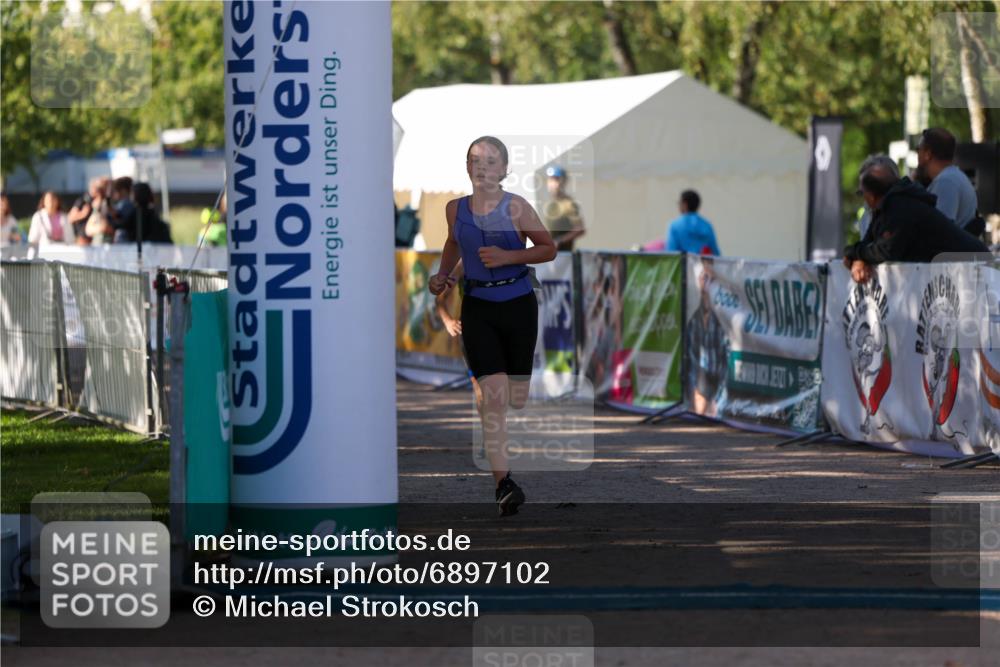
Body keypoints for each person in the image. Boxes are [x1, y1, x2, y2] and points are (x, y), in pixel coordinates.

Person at [428, 136, 557, 516]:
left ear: (503, 169)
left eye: (489, 161)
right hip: (478, 306)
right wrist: (443, 277)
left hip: (518, 304)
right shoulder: (454, 209)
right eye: (474, 160)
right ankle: (504, 484)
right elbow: (453, 243)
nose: (481, 167)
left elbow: (548, 248)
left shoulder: (517, 207)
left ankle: (502, 466)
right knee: (495, 399)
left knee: (515, 397)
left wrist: (508, 256)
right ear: (467, 167)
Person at [843, 157, 990, 283]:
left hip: (972, 269)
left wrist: (854, 253)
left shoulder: (901, 207)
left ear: (870, 195)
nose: (862, 198)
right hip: (957, 268)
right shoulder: (885, 207)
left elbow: (887, 250)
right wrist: (859, 258)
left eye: (860, 193)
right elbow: (868, 244)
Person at [685, 257, 728, 416]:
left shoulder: (723, 316)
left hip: (721, 380)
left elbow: (728, 359)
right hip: (702, 378)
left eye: (711, 277)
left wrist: (721, 398)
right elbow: (692, 358)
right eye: (704, 277)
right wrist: (694, 391)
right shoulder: (695, 318)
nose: (707, 282)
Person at [914, 128, 979, 230]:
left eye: (918, 149)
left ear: (928, 154)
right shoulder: (954, 177)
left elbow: (940, 232)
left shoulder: (946, 182)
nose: (917, 154)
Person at [541, 165, 585, 251]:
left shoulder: (568, 203)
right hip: (550, 253)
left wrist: (559, 241)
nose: (553, 183)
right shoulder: (549, 203)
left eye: (556, 179)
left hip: (564, 254)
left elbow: (580, 229)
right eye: (550, 180)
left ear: (564, 182)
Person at [855, 155, 899, 239]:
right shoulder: (866, 215)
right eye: (862, 192)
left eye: (878, 189)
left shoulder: (906, 213)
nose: (871, 198)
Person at [666, 189, 720, 255]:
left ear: (685, 204)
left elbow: (671, 253)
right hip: (702, 264)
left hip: (683, 264)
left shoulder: (675, 225)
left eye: (679, 203)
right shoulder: (707, 226)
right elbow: (715, 253)